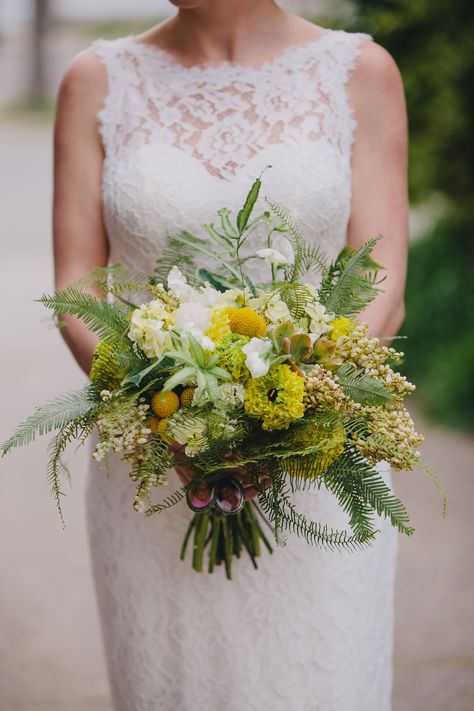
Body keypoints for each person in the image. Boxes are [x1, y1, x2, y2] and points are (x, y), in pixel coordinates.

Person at [53, 1, 408, 709]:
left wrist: (299, 408)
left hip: (319, 459)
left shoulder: (359, 72)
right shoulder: (96, 80)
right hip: (153, 462)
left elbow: (383, 276)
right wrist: (160, 408)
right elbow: (76, 283)